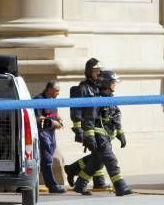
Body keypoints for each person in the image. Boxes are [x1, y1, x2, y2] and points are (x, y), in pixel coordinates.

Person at [72, 70, 133, 197]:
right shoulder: (96, 100)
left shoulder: (111, 100)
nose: (115, 85)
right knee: (111, 160)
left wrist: (121, 134)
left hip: (107, 136)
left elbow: (116, 118)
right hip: (100, 137)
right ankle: (120, 186)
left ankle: (79, 185)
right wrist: (90, 137)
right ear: (105, 83)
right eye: (113, 82)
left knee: (96, 163)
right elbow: (89, 120)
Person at [64, 58, 110, 192]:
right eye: (96, 70)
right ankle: (90, 180)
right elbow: (76, 110)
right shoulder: (82, 88)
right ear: (89, 71)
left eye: (99, 70)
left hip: (99, 127)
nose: (98, 73)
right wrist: (78, 129)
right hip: (88, 128)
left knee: (98, 154)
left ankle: (73, 169)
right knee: (99, 154)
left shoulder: (99, 87)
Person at [34, 81, 66, 194]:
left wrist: (59, 119)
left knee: (48, 159)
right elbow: (37, 118)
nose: (58, 93)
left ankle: (36, 182)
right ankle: (52, 185)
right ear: (50, 89)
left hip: (51, 134)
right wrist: (52, 123)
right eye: (57, 90)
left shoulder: (52, 101)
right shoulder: (39, 100)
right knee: (47, 160)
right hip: (42, 133)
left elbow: (54, 113)